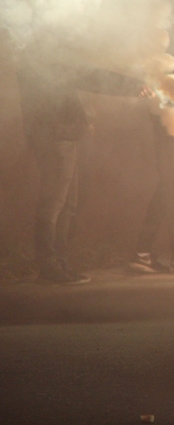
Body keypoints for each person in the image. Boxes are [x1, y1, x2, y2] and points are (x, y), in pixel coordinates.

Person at [18, 58, 149, 284]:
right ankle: (50, 267)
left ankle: (58, 263)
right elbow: (88, 76)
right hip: (56, 136)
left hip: (62, 134)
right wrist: (133, 86)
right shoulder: (47, 52)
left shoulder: (42, 50)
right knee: (54, 204)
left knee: (66, 204)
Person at [128, 51, 174, 274]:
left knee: (168, 189)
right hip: (169, 126)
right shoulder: (168, 50)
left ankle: (143, 253)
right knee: (173, 188)